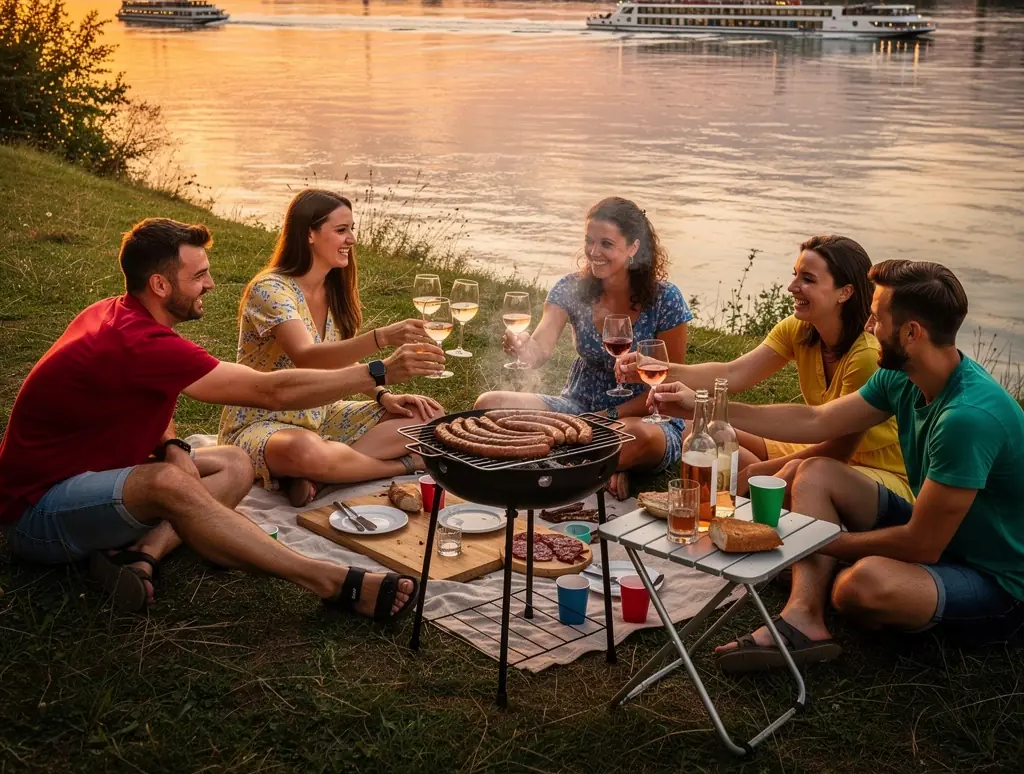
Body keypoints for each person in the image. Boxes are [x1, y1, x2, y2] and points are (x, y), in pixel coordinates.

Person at [0, 217, 447, 618]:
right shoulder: (137, 341)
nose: (211, 284)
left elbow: (149, 396)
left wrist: (173, 446)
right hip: (37, 513)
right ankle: (329, 581)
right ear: (160, 285)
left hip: (96, 476)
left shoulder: (121, 313)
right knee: (167, 483)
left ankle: (141, 554)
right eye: (198, 275)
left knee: (233, 462)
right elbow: (271, 390)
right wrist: (380, 369)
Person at [652, 259, 1024, 669]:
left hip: (998, 578)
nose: (868, 327)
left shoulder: (967, 419)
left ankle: (823, 571)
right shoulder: (903, 375)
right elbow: (818, 421)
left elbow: (923, 544)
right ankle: (804, 616)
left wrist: (811, 541)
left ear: (911, 333)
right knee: (815, 472)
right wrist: (704, 404)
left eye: (877, 319)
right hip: (942, 536)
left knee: (861, 586)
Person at [618, 235, 910, 501]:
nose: (792, 287)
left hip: (871, 469)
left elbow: (838, 451)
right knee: (698, 430)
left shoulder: (867, 355)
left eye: (808, 279)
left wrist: (754, 473)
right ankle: (766, 491)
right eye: (795, 275)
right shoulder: (800, 329)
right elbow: (732, 373)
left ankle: (767, 490)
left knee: (795, 473)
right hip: (816, 448)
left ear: (844, 292)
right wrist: (662, 368)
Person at [220, 189, 443, 507]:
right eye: (341, 230)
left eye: (352, 229)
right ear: (309, 234)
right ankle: (398, 465)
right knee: (306, 450)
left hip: (319, 415)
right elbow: (306, 355)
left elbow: (333, 365)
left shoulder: (334, 291)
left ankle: (318, 473)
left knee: (428, 418)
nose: (351, 239)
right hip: (263, 420)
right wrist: (381, 340)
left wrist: (384, 396)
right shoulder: (270, 290)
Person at [475, 197, 693, 499]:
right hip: (576, 409)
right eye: (589, 241)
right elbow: (541, 348)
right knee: (489, 405)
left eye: (606, 243)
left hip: (644, 415)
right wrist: (524, 346)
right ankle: (600, 469)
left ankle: (558, 462)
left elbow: (667, 383)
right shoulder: (570, 288)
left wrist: (607, 416)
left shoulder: (666, 299)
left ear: (633, 248)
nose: (594, 252)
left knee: (634, 437)